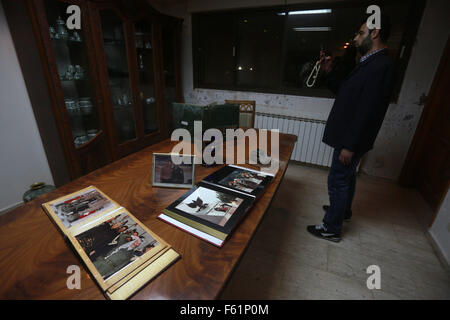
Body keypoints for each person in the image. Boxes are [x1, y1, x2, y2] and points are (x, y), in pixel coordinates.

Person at [307, 14, 395, 242]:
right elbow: (346, 93)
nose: (356, 38)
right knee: (347, 177)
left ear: (375, 33)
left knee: (338, 180)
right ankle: (342, 212)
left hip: (351, 138)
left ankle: (331, 228)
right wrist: (327, 70)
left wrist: (349, 145)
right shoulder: (368, 62)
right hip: (350, 136)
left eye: (360, 33)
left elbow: (368, 111)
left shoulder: (380, 66)